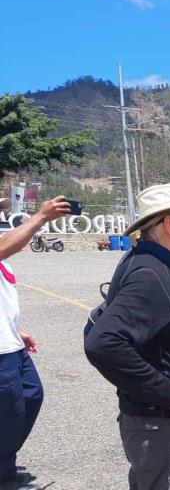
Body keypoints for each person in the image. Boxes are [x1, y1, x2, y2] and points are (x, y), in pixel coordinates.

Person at [85, 183, 170, 490]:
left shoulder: (153, 265)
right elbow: (103, 343)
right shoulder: (151, 275)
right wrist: (168, 393)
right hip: (169, 432)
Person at [0, 196, 70, 489]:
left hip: (10, 343)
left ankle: (4, 464)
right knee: (10, 411)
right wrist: (41, 216)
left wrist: (17, 329)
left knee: (30, 397)